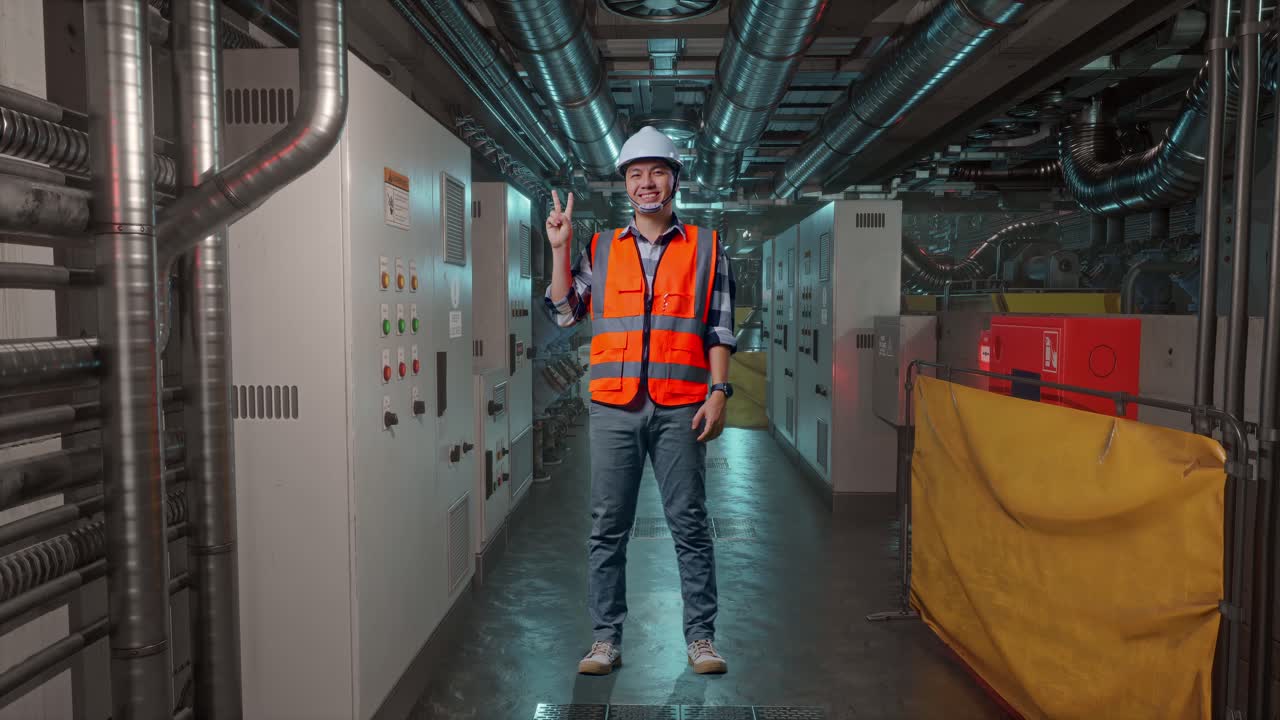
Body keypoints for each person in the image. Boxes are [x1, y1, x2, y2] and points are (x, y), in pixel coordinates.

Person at [543, 126, 737, 676]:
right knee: (607, 526)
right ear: (626, 186)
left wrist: (719, 392)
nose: (646, 183)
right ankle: (605, 638)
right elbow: (564, 312)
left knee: (690, 524)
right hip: (615, 406)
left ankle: (701, 638)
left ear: (674, 179)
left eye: (656, 172)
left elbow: (719, 328)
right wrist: (559, 251)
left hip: (681, 404)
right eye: (635, 174)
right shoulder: (600, 248)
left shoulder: (707, 246)